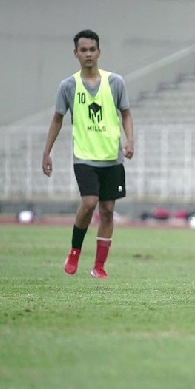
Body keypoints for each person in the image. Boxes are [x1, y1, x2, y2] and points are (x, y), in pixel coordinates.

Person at [42, 29, 134, 279]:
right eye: (83, 50)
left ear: (99, 52)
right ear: (76, 54)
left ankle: (99, 266)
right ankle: (74, 251)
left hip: (111, 158)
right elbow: (57, 119)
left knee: (107, 210)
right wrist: (47, 152)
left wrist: (129, 140)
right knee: (89, 202)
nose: (88, 54)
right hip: (84, 157)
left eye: (92, 49)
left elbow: (125, 113)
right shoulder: (68, 86)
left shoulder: (115, 82)